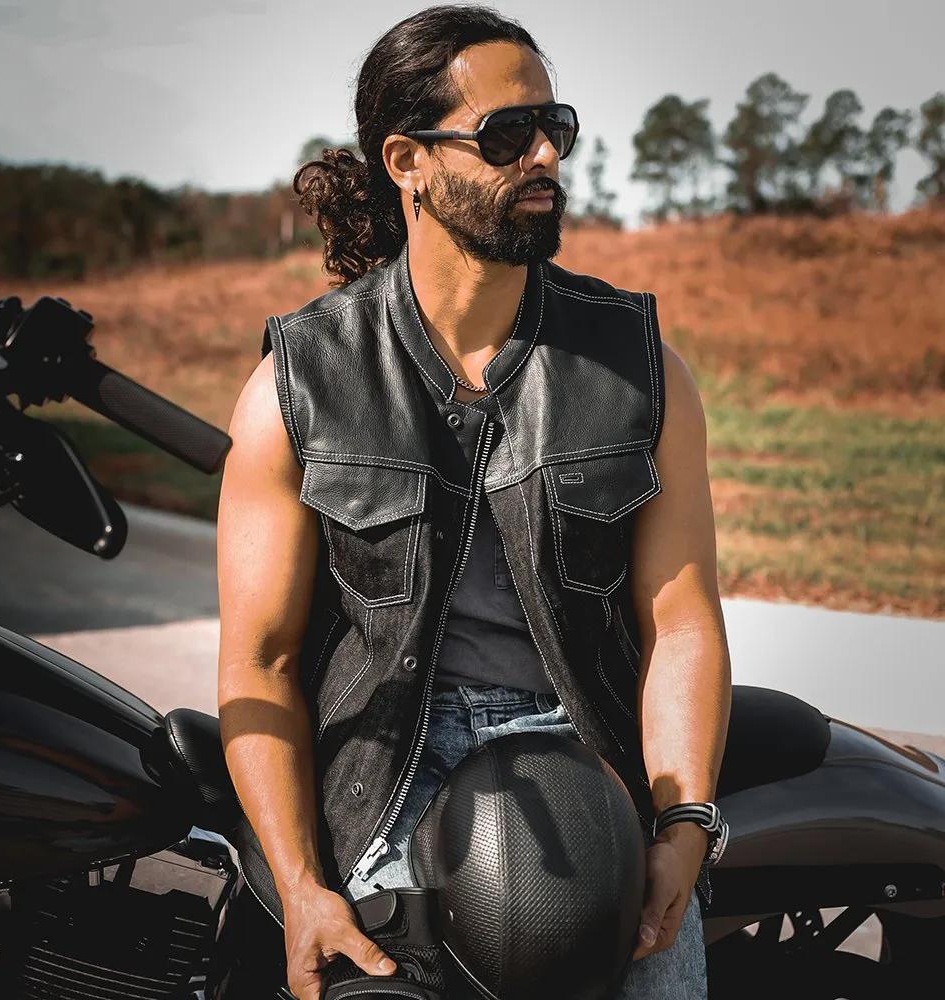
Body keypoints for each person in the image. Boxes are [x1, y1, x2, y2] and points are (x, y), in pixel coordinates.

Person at [216, 6, 732, 1000]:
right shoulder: (300, 383)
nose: (545, 155)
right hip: (383, 784)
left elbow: (679, 623)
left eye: (556, 128)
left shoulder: (639, 369)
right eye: (507, 136)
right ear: (407, 161)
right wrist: (302, 884)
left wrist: (682, 827)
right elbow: (260, 662)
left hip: (593, 765)